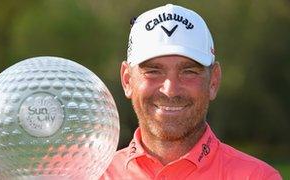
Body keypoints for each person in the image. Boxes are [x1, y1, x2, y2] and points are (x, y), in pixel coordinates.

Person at [101, 4, 282, 180]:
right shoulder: (90, 174)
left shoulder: (258, 177)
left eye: (189, 72)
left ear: (213, 81)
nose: (170, 90)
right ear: (127, 80)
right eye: (153, 71)